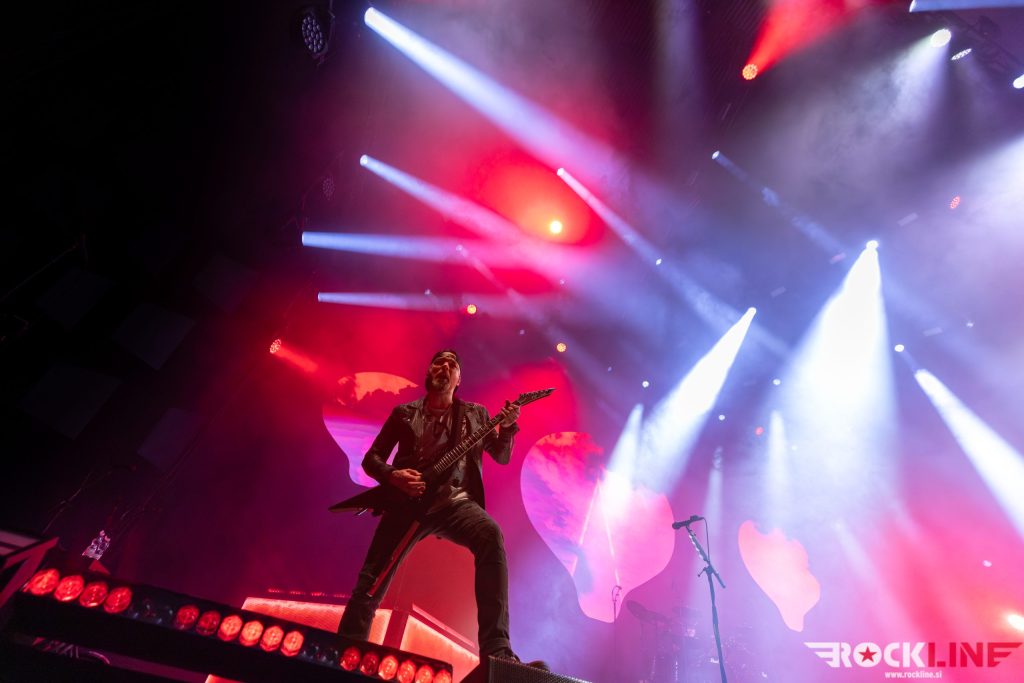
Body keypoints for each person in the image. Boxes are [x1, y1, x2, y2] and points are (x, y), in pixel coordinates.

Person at [338, 349, 546, 669]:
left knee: (490, 534)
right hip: (407, 505)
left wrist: (506, 428)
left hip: (455, 502)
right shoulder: (404, 413)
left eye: (452, 365)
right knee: (371, 580)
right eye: (439, 362)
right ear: (429, 371)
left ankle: (497, 652)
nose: (445, 367)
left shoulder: (476, 415)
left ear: (458, 379)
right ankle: (346, 657)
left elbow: (502, 457)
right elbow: (371, 459)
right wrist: (394, 476)